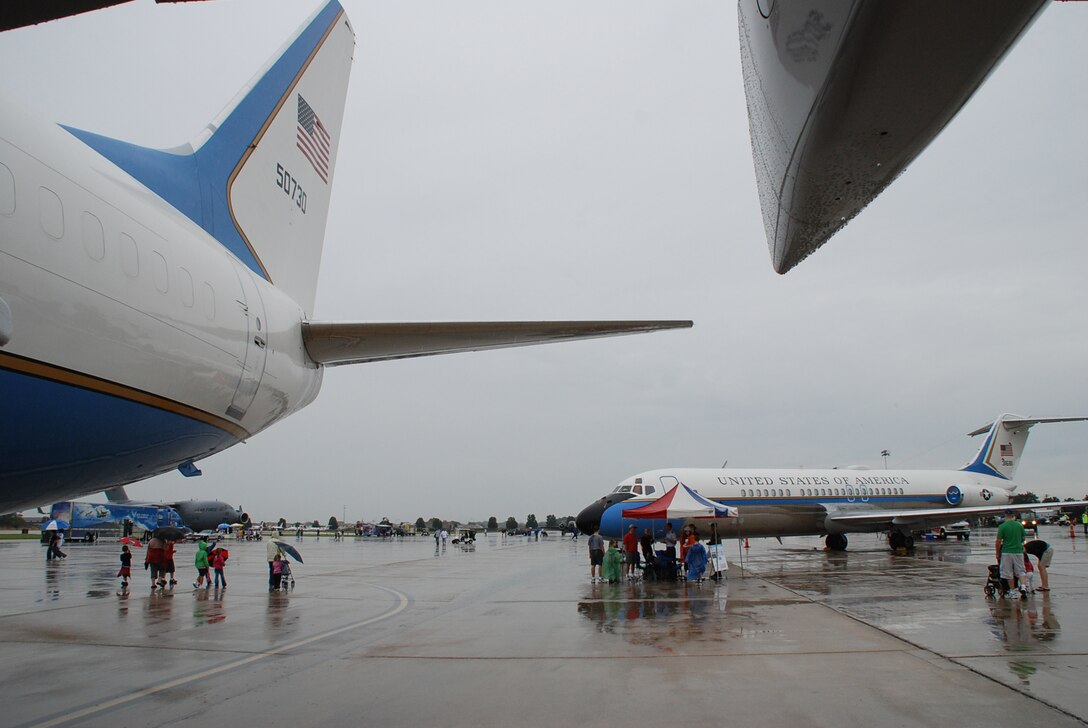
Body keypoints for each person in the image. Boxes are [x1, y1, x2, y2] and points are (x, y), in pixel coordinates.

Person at [995, 509, 1028, 598]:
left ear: (1005, 516)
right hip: (1018, 551)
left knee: (1008, 572)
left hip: (1007, 552)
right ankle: (1023, 586)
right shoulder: (1019, 525)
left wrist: (997, 553)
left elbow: (998, 541)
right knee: (1021, 570)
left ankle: (1012, 591)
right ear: (1014, 515)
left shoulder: (1002, 526)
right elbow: (1023, 537)